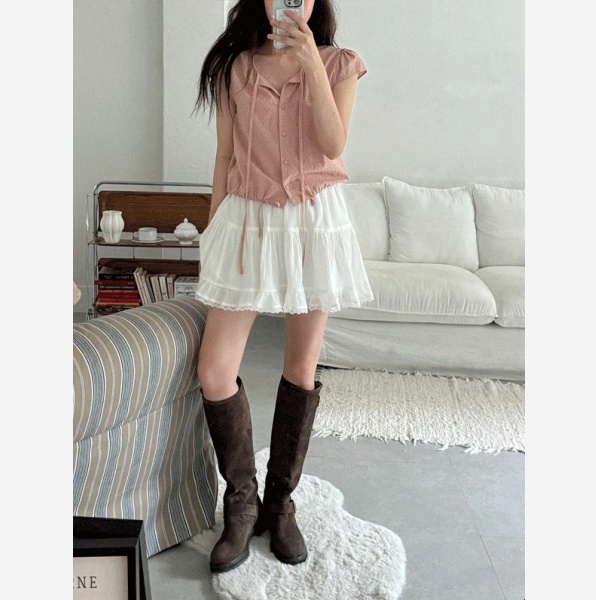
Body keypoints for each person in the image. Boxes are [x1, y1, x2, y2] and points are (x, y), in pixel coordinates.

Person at [193, 0, 373, 573]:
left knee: (300, 368)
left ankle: (279, 503)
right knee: (214, 370)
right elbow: (225, 156)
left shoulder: (340, 64)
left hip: (314, 222)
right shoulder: (235, 67)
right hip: (246, 219)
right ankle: (241, 504)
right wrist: (213, 238)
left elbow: (332, 144)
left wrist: (311, 62)